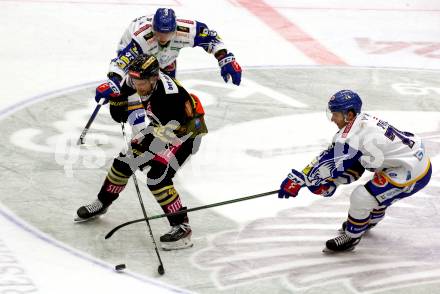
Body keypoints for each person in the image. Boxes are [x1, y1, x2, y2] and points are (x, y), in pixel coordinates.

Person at [75, 54, 208, 251]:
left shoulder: (168, 96)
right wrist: (115, 96)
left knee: (158, 177)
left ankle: (182, 227)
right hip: (160, 126)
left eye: (142, 82)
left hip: (184, 133)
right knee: (122, 164)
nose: (137, 86)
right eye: (134, 80)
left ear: (154, 78)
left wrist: (144, 152)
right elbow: (119, 115)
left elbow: (166, 134)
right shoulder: (136, 79)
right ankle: (102, 203)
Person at [278, 90, 432, 252]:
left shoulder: (352, 136)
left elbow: (327, 163)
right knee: (371, 188)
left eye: (335, 114)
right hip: (408, 162)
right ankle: (369, 219)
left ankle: (352, 237)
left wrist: (298, 180)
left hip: (411, 171)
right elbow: (352, 166)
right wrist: (331, 183)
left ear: (349, 115)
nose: (332, 119)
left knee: (362, 197)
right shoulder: (360, 123)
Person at [95, 7, 242, 107]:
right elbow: (123, 61)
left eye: (167, 33)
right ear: (153, 28)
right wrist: (113, 80)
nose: (163, 37)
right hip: (139, 58)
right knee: (140, 95)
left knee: (169, 96)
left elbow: (211, 38)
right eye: (159, 32)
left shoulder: (187, 30)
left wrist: (225, 59)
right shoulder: (142, 38)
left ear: (175, 28)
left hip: (167, 60)